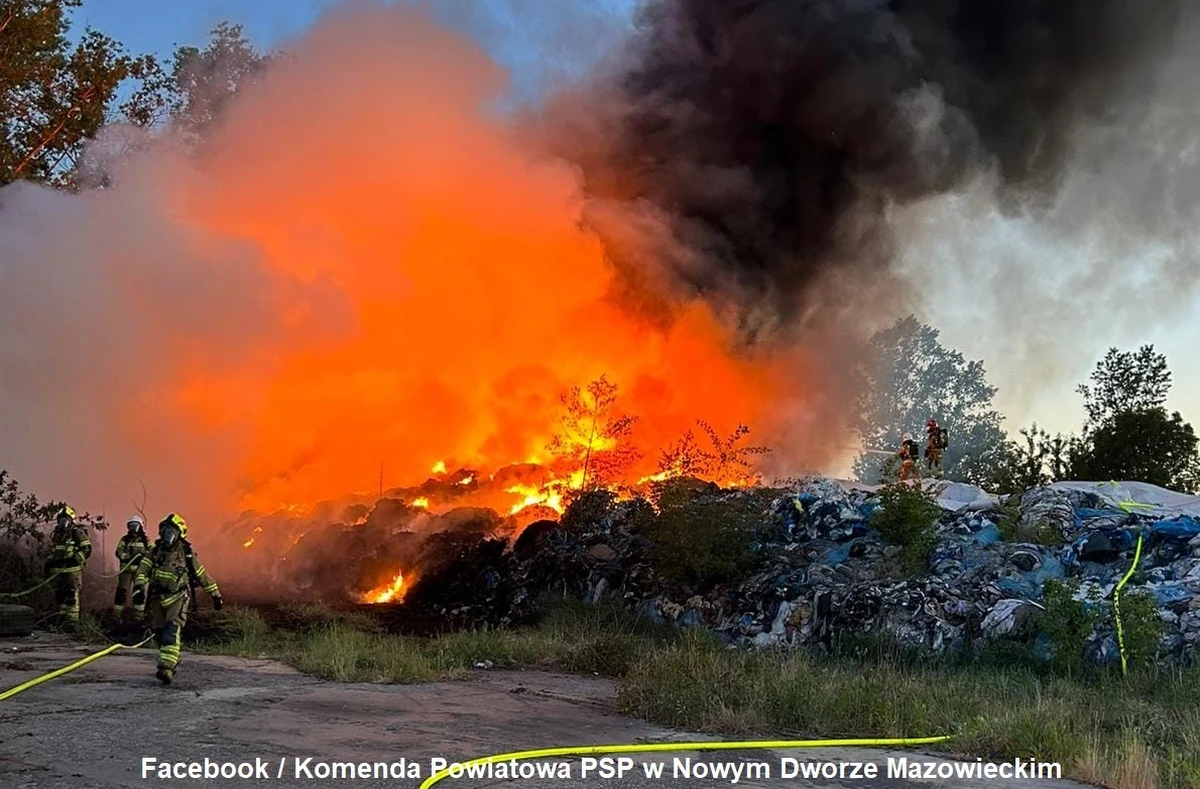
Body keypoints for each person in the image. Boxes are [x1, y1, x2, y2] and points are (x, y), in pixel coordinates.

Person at [133, 513, 223, 685]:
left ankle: (167, 668)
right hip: (157, 598)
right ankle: (168, 659)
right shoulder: (155, 551)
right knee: (158, 632)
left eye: (172, 531)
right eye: (166, 531)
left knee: (171, 630)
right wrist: (138, 587)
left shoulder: (186, 553)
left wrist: (216, 595)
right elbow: (143, 569)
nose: (169, 535)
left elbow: (202, 575)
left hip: (177, 597)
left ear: (180, 533)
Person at [44, 505, 92, 628]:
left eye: (65, 520)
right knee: (60, 595)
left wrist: (75, 559)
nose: (62, 522)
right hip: (59, 571)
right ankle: (62, 619)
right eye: (60, 520)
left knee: (71, 596)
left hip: (72, 571)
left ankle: (72, 622)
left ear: (71, 521)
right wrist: (49, 563)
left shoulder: (77, 533)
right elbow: (55, 551)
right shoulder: (57, 535)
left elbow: (87, 549)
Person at [113, 515, 150, 617]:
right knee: (121, 592)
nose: (133, 528)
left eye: (135, 526)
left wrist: (143, 556)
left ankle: (139, 615)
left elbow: (152, 553)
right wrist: (128, 556)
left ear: (140, 526)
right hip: (126, 570)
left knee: (139, 593)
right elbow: (118, 552)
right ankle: (116, 615)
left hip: (140, 571)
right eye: (131, 526)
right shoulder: (124, 539)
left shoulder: (145, 540)